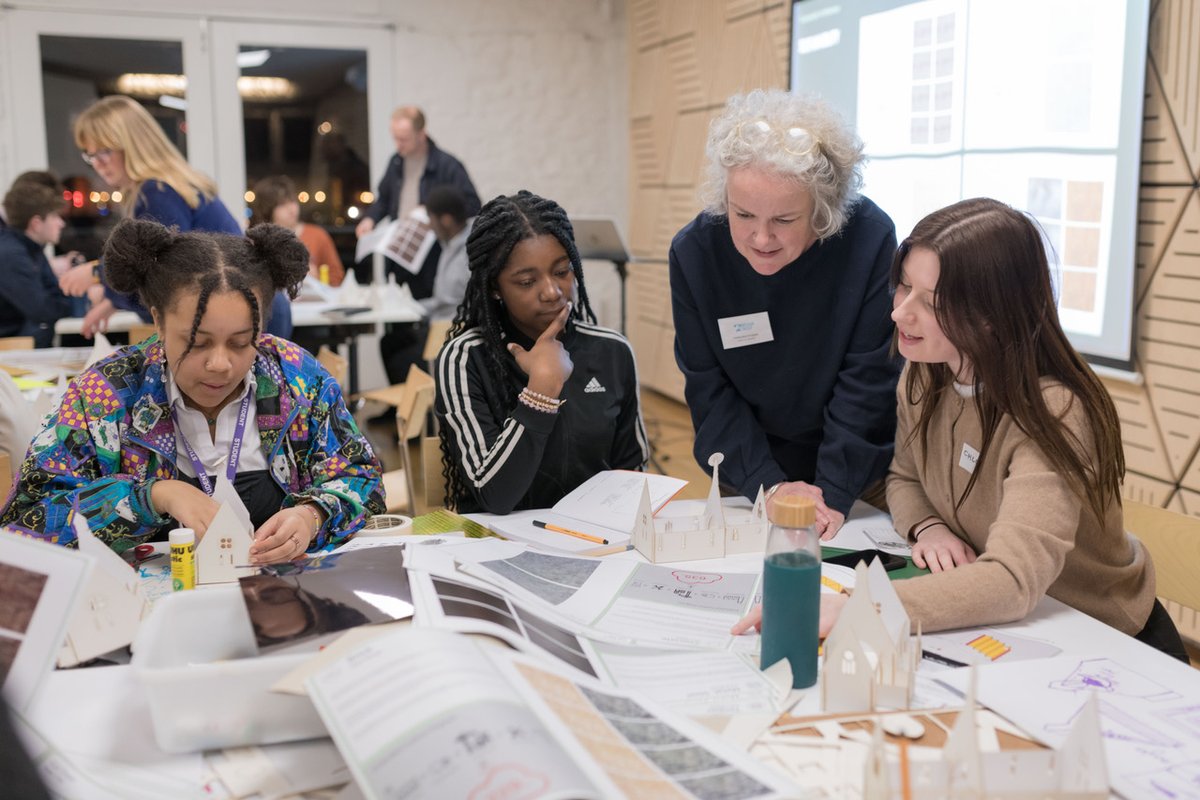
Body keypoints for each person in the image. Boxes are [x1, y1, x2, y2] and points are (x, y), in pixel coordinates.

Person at [733, 198, 1187, 660]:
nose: (900, 314)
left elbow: (1012, 580)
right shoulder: (926, 369)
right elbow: (905, 476)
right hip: (1016, 626)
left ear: (993, 313)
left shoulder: (1054, 411)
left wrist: (857, 608)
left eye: (930, 303)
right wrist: (927, 527)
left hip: (1103, 639)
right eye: (903, 287)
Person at [1, 219, 386, 562]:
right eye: (197, 342)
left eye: (240, 343)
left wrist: (312, 515)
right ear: (158, 320)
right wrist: (153, 496)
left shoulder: (297, 378)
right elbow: (28, 520)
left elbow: (362, 478)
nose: (220, 364)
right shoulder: (106, 394)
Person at [670, 89, 901, 538]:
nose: (761, 238)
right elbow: (709, 388)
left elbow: (869, 378)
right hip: (751, 471)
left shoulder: (868, 241)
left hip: (856, 475)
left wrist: (831, 493)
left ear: (823, 209)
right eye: (743, 215)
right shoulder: (695, 253)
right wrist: (768, 484)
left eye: (784, 220)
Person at [435, 190, 648, 514]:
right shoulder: (465, 358)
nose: (552, 292)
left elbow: (632, 475)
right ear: (494, 287)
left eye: (562, 272)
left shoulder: (612, 351)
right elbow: (495, 495)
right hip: (494, 546)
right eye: (526, 281)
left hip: (595, 541)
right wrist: (541, 393)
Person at [63, 95, 292, 339]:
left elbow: (168, 284)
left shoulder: (159, 192)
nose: (98, 163)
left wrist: (98, 274)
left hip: (244, 315)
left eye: (105, 151)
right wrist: (111, 299)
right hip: (250, 309)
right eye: (90, 155)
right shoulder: (164, 187)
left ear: (133, 144)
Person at [354, 106, 481, 294]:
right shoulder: (396, 162)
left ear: (421, 134)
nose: (398, 145)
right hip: (400, 251)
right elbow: (384, 199)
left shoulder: (446, 165)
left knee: (428, 306)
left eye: (403, 139)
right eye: (395, 138)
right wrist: (370, 219)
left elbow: (472, 205)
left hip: (432, 255)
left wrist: (433, 211)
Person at [379, 185, 475, 386]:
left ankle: (418, 409)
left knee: (401, 357)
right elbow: (444, 300)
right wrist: (412, 305)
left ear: (446, 219)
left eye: (431, 219)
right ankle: (398, 409)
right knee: (389, 342)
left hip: (451, 332)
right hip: (440, 324)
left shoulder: (467, 251)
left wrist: (417, 307)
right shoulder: (449, 245)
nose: (429, 226)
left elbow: (452, 302)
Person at [0, 176, 74, 347]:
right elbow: (42, 310)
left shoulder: (32, 249)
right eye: (55, 216)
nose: (61, 223)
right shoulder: (11, 254)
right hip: (11, 354)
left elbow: (54, 296)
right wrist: (66, 303)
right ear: (36, 223)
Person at [250, 175, 346, 286]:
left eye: (292, 201)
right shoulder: (259, 242)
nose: (291, 209)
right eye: (282, 204)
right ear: (267, 210)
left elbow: (337, 277)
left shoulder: (318, 235)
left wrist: (317, 277)